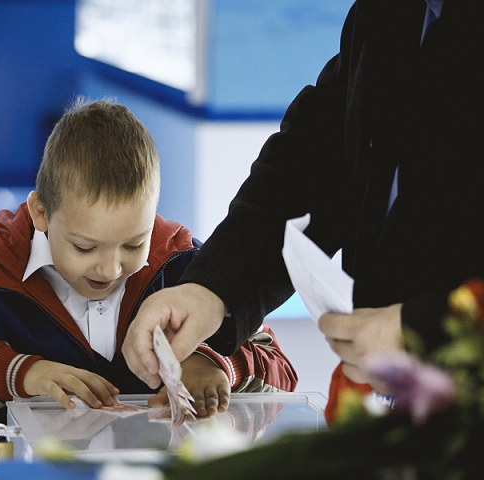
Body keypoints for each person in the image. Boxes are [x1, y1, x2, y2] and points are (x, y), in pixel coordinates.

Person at [122, 0, 484, 423]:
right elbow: (315, 160)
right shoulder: (386, 13)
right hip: (385, 406)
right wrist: (210, 290)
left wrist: (425, 329)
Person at [0, 98, 298, 457]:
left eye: (134, 243)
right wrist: (13, 373)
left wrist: (215, 365)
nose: (110, 269)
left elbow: (279, 369)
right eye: (85, 247)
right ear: (41, 213)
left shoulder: (186, 271)